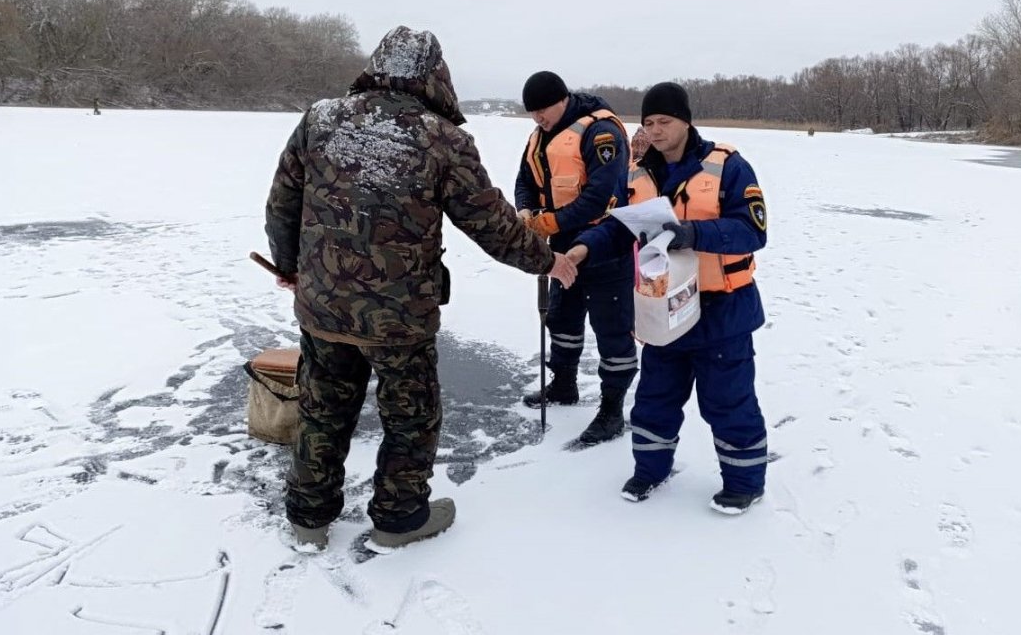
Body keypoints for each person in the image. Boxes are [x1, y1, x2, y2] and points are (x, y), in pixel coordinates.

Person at [264, 27, 577, 553]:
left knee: (323, 407)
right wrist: (549, 260)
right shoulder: (442, 138)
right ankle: (399, 516)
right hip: (398, 317)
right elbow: (490, 223)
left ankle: (308, 516)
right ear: (435, 74)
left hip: (323, 306)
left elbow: (281, 204)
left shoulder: (320, 118)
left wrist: (290, 265)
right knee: (410, 414)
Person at [566, 82, 769, 514]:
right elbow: (621, 226)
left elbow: (753, 231)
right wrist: (585, 246)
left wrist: (692, 233)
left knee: (729, 404)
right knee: (654, 400)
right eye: (650, 122)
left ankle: (744, 482)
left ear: (686, 121)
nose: (656, 130)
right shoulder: (638, 173)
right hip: (664, 311)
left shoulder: (728, 167)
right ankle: (650, 471)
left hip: (722, 313)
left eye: (665, 121)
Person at [514, 71, 638, 445]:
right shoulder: (539, 137)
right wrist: (525, 211)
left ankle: (612, 409)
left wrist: (549, 221)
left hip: (605, 246)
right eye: (532, 112)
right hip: (562, 247)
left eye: (542, 110)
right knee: (562, 318)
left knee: (612, 331)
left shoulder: (601, 133)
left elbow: (600, 196)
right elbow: (525, 180)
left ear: (562, 99)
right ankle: (564, 384)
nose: (538, 118)